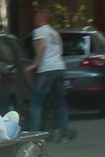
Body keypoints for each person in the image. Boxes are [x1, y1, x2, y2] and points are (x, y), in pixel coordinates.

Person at [29, 9, 74, 142]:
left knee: (37, 102)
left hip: (47, 69)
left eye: (36, 18)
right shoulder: (54, 33)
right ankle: (64, 134)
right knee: (61, 102)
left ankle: (34, 136)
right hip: (59, 68)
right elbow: (59, 50)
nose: (34, 20)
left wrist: (35, 64)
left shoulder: (40, 31)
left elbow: (42, 47)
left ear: (41, 19)